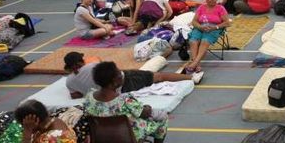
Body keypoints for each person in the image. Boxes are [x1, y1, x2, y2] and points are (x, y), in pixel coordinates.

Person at [84, 61, 169, 143]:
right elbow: (144, 113)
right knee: (162, 119)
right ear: (114, 82)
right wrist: (147, 108)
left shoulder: (89, 97)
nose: (122, 74)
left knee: (125, 120)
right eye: (119, 73)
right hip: (128, 136)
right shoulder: (125, 100)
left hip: (101, 137)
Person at [64, 51, 200, 98]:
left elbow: (76, 96)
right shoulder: (92, 66)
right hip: (126, 81)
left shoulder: (69, 81)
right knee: (159, 76)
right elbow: (115, 74)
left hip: (112, 87)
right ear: (81, 61)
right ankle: (191, 77)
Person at [186, 0, 232, 74]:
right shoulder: (201, 7)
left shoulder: (220, 8)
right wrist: (200, 27)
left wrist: (215, 27)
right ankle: (197, 64)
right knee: (193, 41)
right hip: (201, 27)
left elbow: (227, 23)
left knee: (204, 41)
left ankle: (194, 63)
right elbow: (194, 21)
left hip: (215, 28)